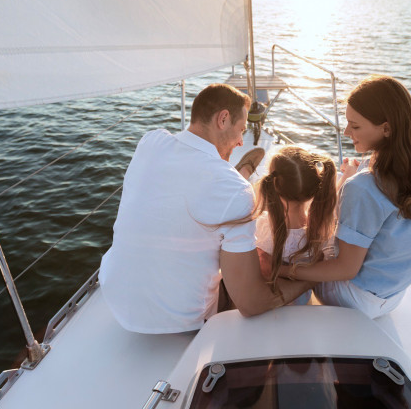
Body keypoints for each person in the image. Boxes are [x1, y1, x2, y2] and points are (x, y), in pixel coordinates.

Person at [99, 83, 311, 333]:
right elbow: (251, 303)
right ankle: (241, 174)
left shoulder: (151, 141)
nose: (241, 141)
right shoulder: (235, 192)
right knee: (243, 264)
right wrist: (307, 280)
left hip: (114, 296)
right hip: (181, 321)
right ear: (223, 119)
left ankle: (241, 172)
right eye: (241, 129)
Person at [275, 75, 411, 319]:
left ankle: (291, 311)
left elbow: (345, 269)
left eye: (356, 125)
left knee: (291, 237)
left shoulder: (363, 188)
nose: (346, 131)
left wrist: (288, 270)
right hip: (391, 296)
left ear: (386, 128)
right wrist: (353, 176)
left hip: (352, 300)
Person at [254, 146, 338, 305]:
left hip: (273, 305)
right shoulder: (321, 227)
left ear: (273, 185)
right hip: (302, 303)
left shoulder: (263, 227)